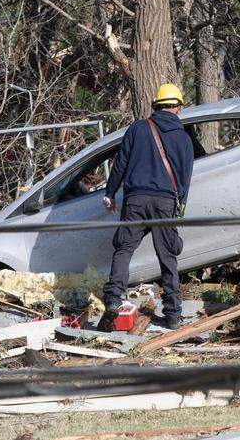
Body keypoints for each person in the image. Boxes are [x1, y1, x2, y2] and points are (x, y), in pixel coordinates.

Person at [100, 83, 195, 330]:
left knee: (124, 249)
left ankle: (112, 299)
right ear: (178, 107)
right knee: (167, 256)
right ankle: (173, 315)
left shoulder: (139, 128)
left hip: (136, 200)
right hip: (165, 201)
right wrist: (180, 202)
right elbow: (186, 175)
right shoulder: (184, 137)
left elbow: (120, 162)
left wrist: (110, 192)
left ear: (156, 106)